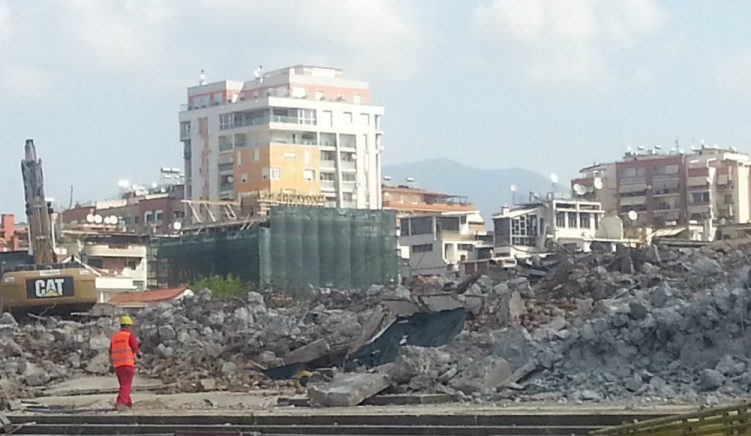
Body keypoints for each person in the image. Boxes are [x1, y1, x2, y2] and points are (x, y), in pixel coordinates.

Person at [109, 315, 141, 411]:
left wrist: (111, 364)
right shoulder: (129, 336)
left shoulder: (114, 337)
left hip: (118, 366)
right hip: (127, 364)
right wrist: (139, 354)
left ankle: (128, 403)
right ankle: (121, 403)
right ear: (127, 326)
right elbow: (135, 348)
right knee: (126, 385)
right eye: (130, 326)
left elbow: (110, 351)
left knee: (123, 384)